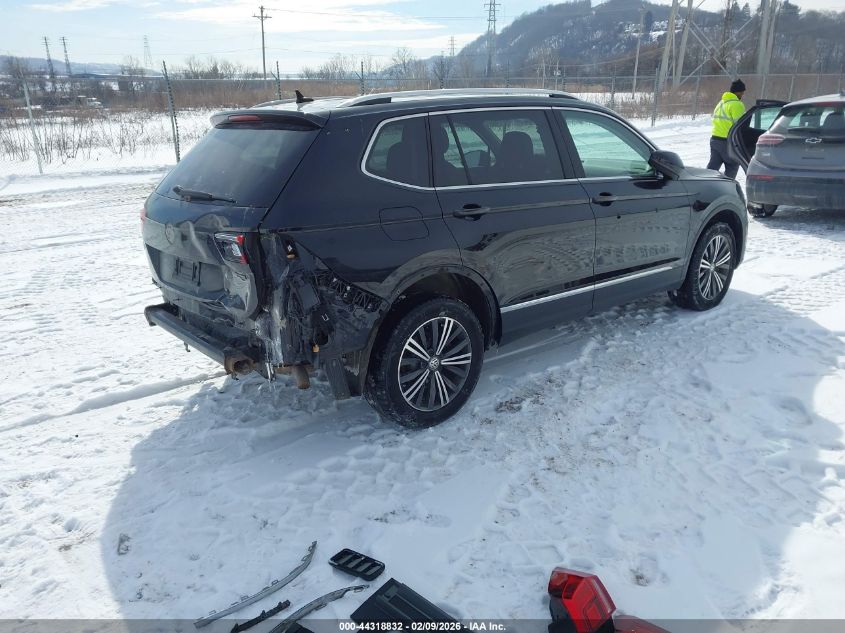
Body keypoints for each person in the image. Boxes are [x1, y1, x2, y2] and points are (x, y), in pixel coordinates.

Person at [707, 79, 746, 179]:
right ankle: (727, 188)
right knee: (732, 166)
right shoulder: (737, 105)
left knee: (712, 169)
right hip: (727, 142)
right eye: (742, 92)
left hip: (715, 140)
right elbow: (740, 126)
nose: (742, 95)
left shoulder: (721, 103)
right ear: (737, 92)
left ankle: (705, 185)